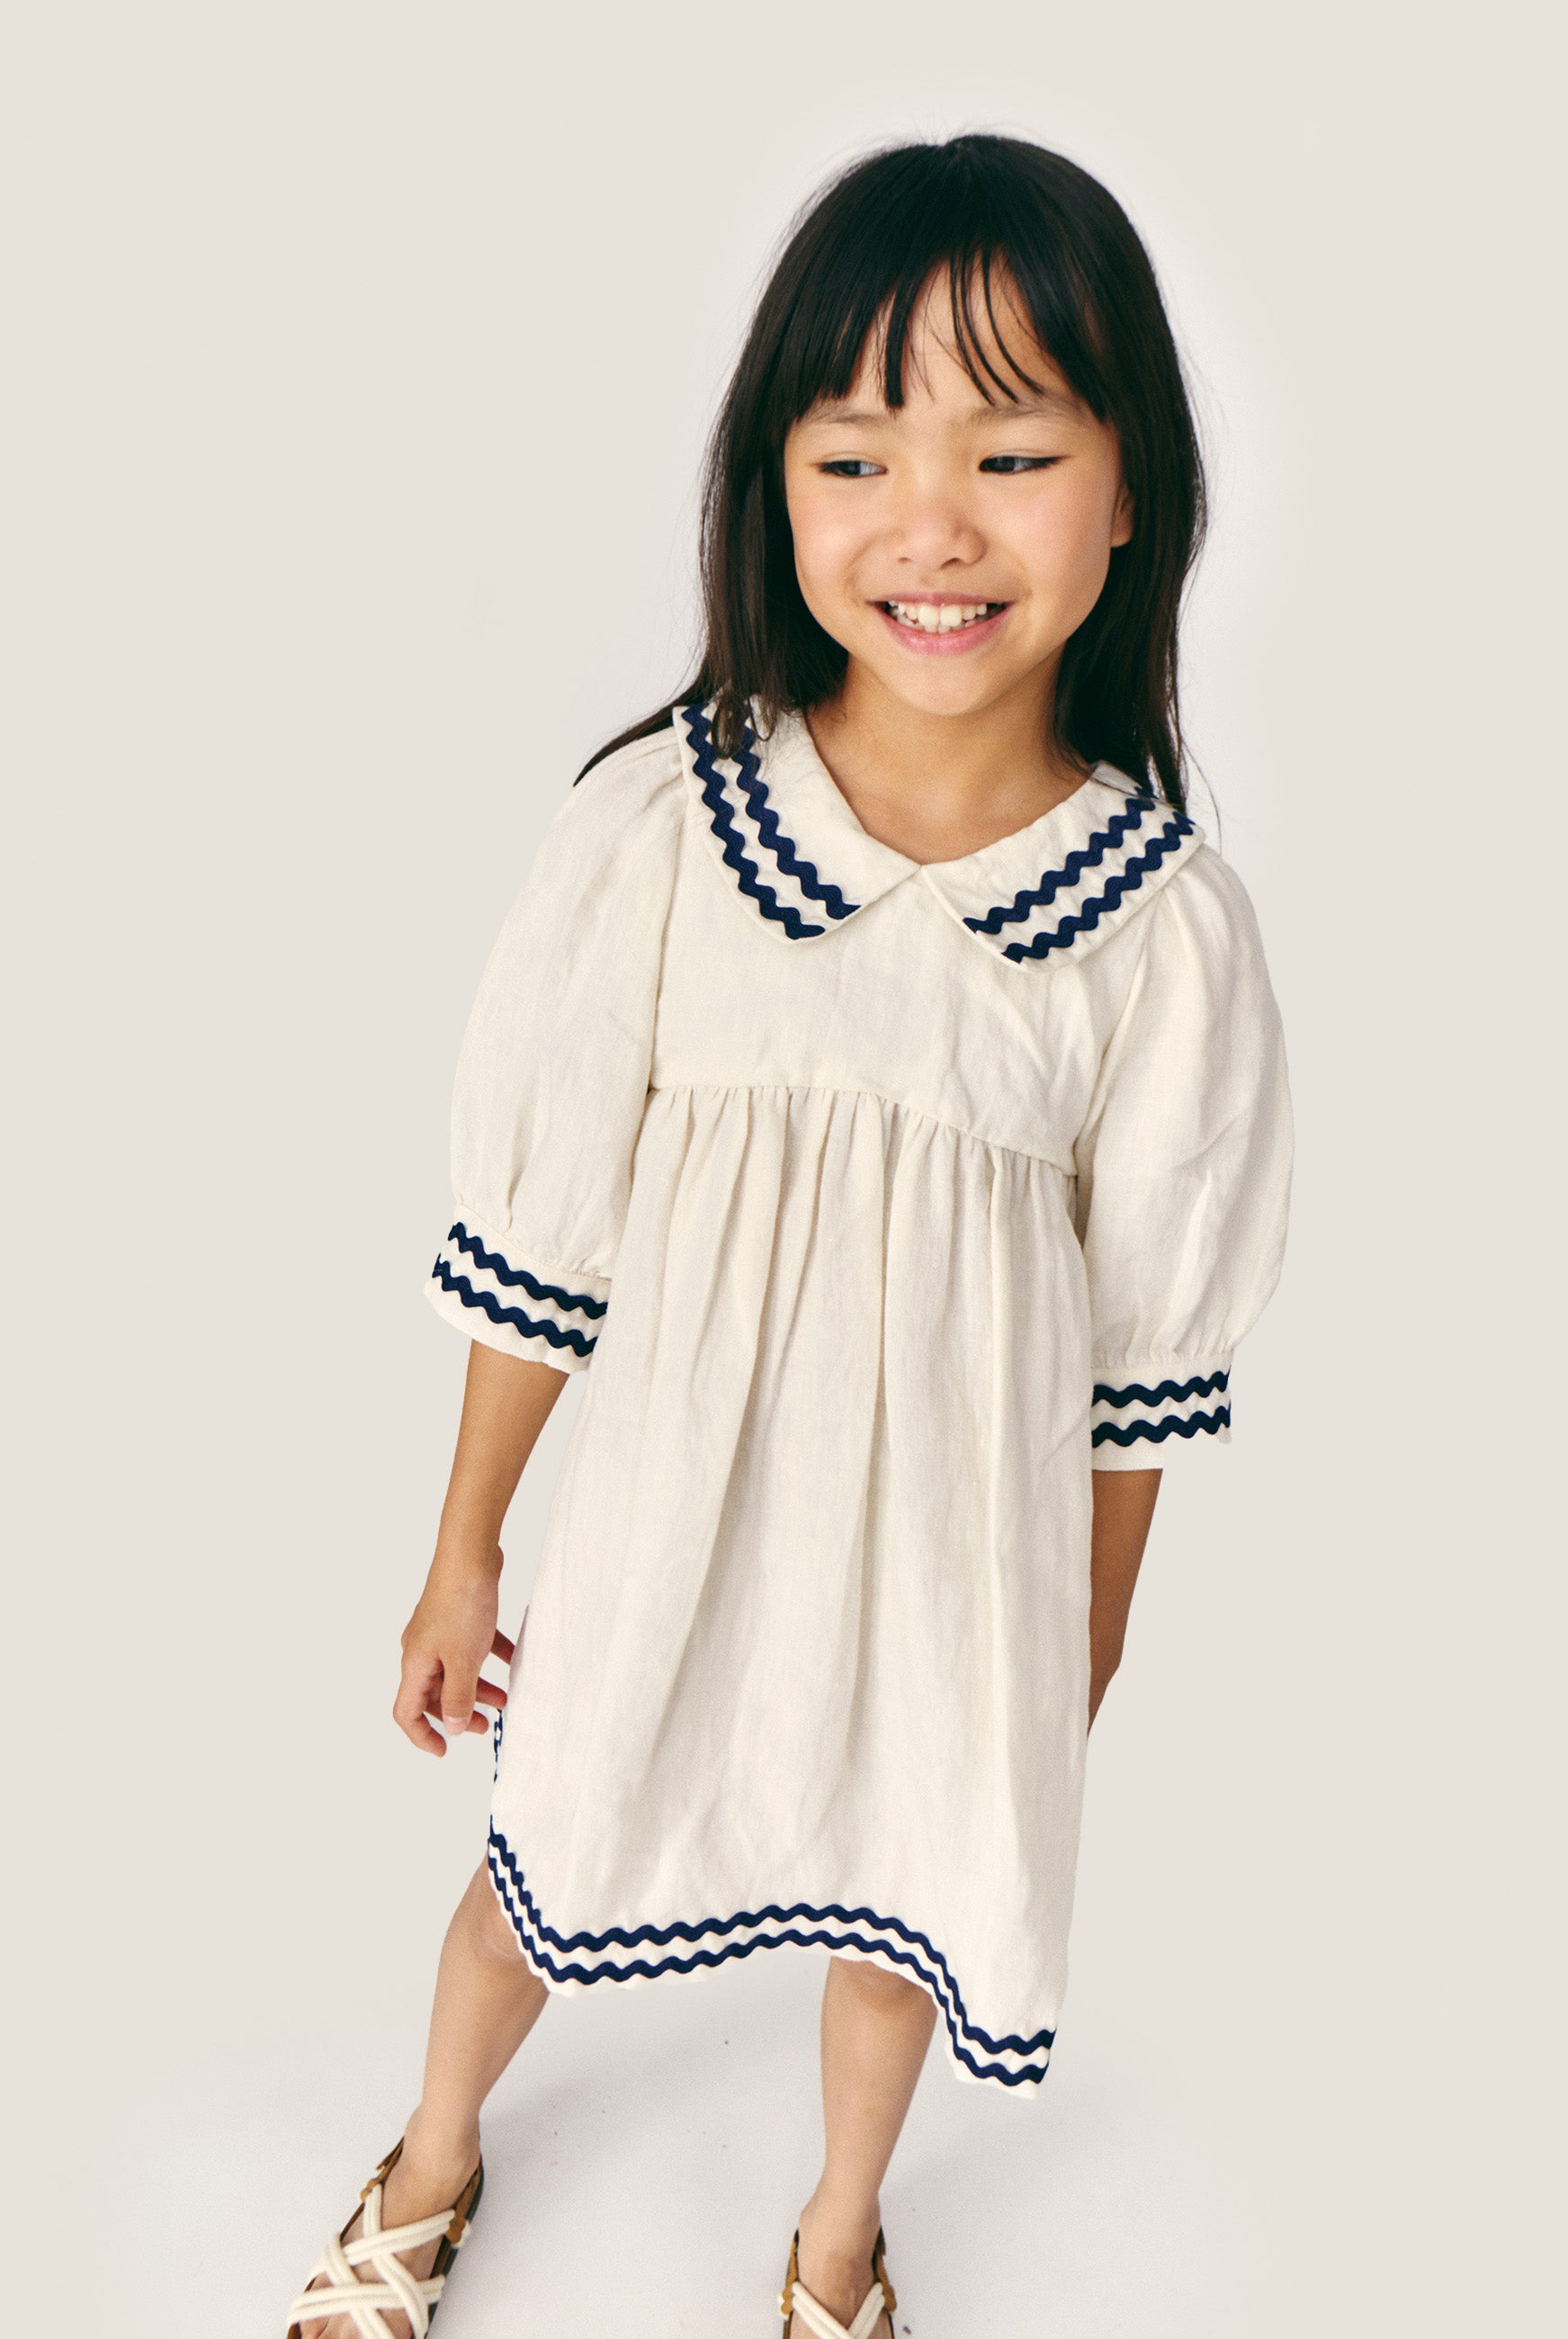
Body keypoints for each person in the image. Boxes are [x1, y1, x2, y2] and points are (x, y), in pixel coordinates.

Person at [287, 130, 1294, 2339]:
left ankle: (839, 2236)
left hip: (956, 1560)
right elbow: (546, 1224)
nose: (933, 523)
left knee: (897, 1919)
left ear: (1132, 491)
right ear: (775, 488)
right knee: (539, 1868)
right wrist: (463, 1545)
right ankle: (434, 2151)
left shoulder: (1160, 929)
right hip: (674, 1518)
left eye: (1011, 452)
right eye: (858, 457)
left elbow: (1147, 1350)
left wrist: (1083, 1640)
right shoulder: (670, 828)